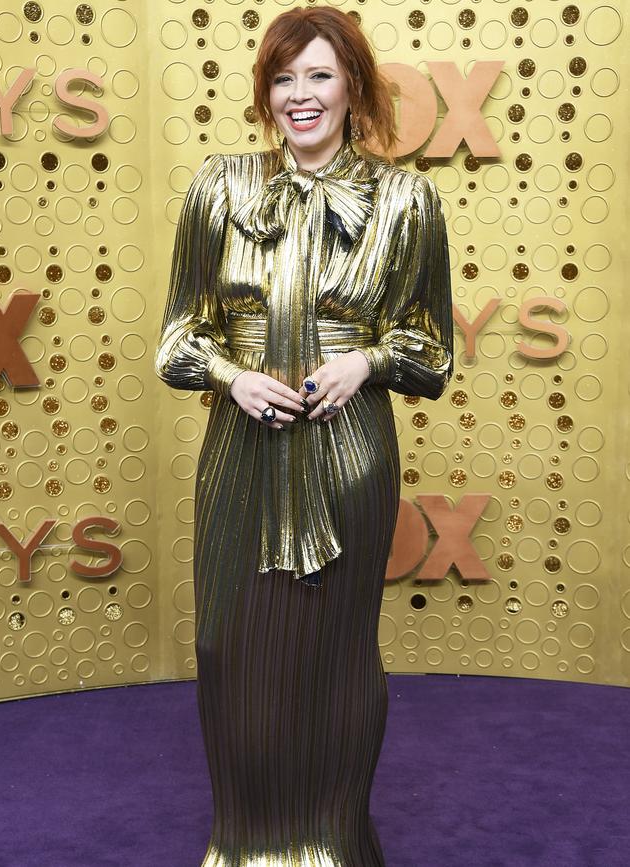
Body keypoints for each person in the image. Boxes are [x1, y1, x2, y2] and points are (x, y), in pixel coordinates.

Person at [155, 6, 454, 865]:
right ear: (265, 93)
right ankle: (245, 843)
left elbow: (431, 350)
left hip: (348, 451)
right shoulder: (220, 185)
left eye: (319, 75)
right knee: (228, 644)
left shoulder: (406, 200)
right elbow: (178, 340)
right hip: (241, 451)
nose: (300, 95)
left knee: (334, 648)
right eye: (284, 79)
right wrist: (231, 377)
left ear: (354, 86)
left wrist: (363, 363)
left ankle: (332, 840)